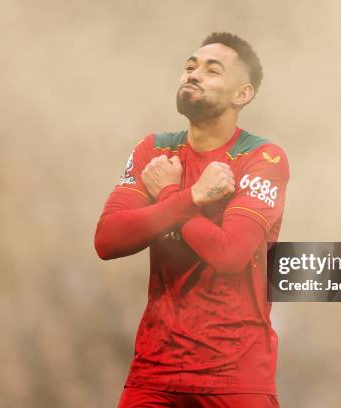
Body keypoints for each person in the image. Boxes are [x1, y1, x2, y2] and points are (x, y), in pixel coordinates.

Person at [94, 32, 289, 408]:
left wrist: (170, 195)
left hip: (235, 375)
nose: (194, 75)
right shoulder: (155, 150)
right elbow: (107, 240)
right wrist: (193, 197)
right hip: (155, 372)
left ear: (242, 94)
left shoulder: (262, 159)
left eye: (212, 71)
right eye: (189, 67)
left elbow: (230, 254)